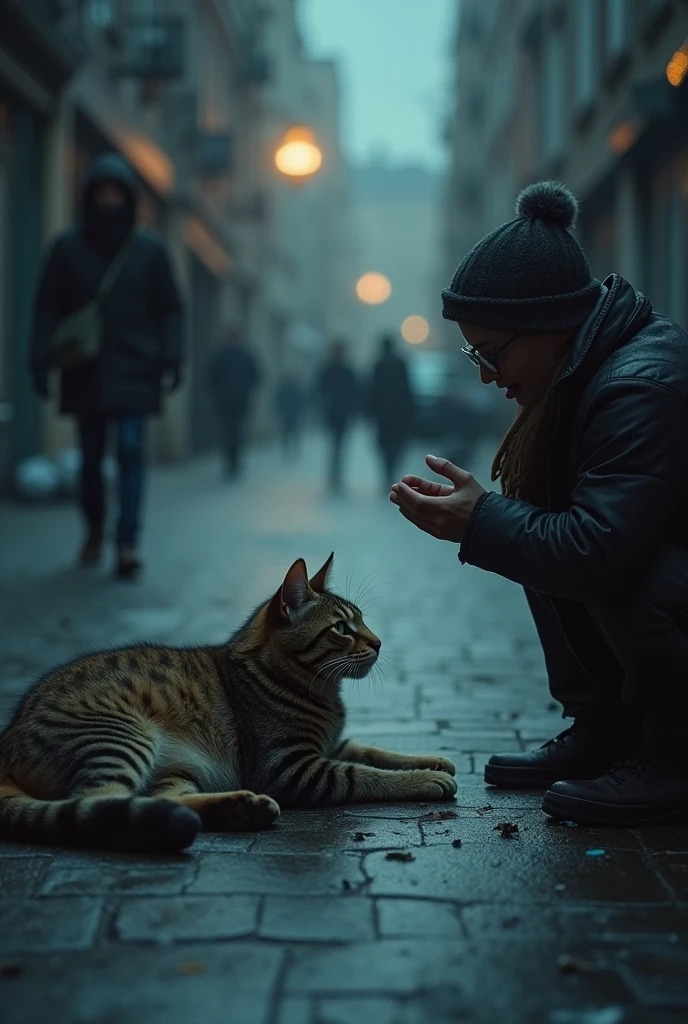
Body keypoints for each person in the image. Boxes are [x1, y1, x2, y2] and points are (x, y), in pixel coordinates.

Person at [390, 180, 688, 828]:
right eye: (473, 354)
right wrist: (493, 520)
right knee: (535, 525)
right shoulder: (583, 372)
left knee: (597, 556)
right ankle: (606, 729)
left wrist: (481, 521)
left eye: (491, 353)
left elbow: (604, 551)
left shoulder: (636, 384)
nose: (484, 375)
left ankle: (674, 757)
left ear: (552, 328)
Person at [30, 152, 183, 579]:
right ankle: (95, 528)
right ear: (90, 196)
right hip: (86, 369)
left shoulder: (149, 250)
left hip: (137, 368)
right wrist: (39, 360)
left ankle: (127, 541)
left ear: (130, 198)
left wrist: (172, 357)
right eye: (102, 191)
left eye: (118, 192)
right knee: (92, 459)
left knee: (132, 453)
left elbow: (171, 308)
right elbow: (46, 307)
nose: (110, 200)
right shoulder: (67, 248)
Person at [205, 325, 261, 479]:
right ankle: (230, 462)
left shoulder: (244, 355)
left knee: (236, 432)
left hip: (239, 401)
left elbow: (256, 376)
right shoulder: (222, 355)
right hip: (225, 401)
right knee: (228, 432)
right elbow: (210, 377)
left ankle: (234, 462)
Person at [367, 334, 415, 491]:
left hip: (383, 415)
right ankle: (392, 470)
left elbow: (372, 390)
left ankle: (387, 472)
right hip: (399, 414)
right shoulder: (401, 363)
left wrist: (370, 413)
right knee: (397, 445)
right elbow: (407, 388)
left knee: (384, 445)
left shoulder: (378, 364)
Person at [316, 340, 358, 493]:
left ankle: (336, 474)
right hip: (335, 413)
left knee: (338, 445)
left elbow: (354, 393)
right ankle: (334, 474)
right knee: (336, 445)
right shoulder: (334, 369)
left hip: (340, 413)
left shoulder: (339, 369)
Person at [274, 362, 305, 460]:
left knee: (293, 432)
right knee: (287, 432)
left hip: (294, 413)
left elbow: (302, 401)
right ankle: (287, 450)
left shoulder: (297, 388)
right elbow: (278, 400)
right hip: (287, 413)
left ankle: (293, 449)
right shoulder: (284, 388)